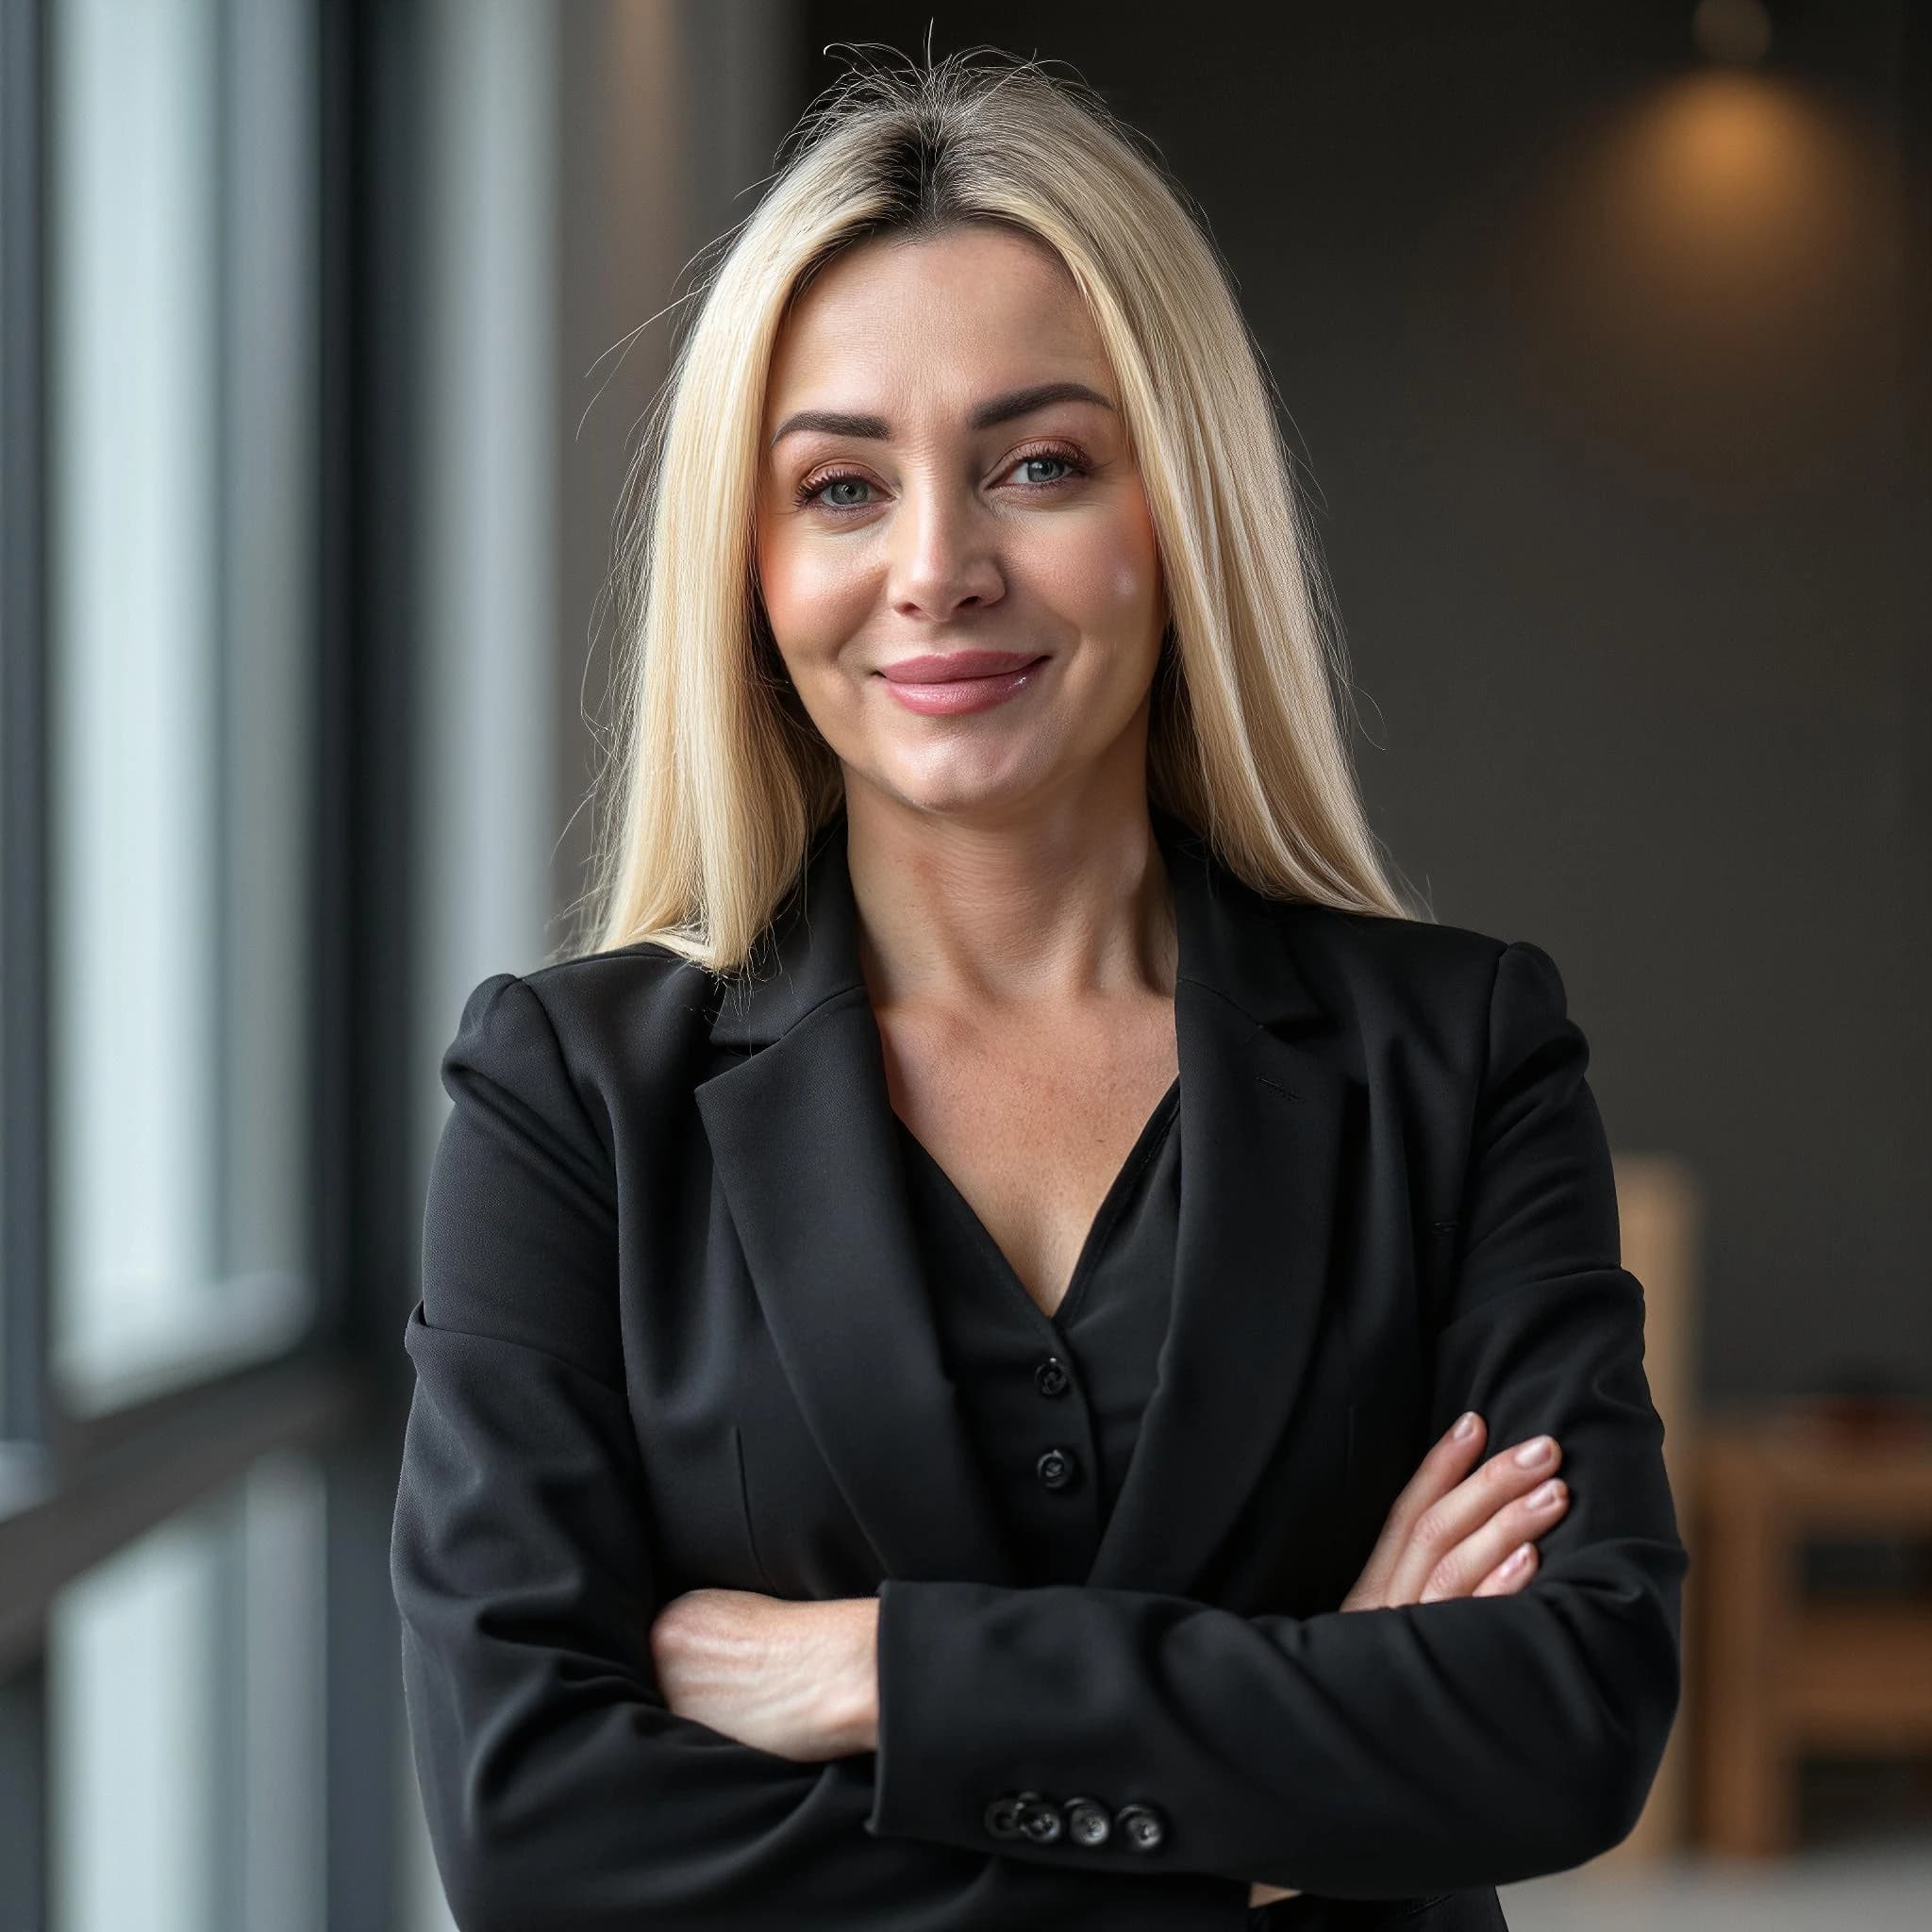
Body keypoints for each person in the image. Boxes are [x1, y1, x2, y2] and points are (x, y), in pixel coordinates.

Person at [391, 45, 1686, 1932]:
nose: (936, 568)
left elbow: (1568, 1713)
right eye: (839, 485)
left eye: (1039, 465)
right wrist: (1284, 1798)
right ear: (747, 566)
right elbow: (537, 1832)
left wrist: (878, 1676)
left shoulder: (1461, 1052)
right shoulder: (569, 1096)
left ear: (1178, 517)